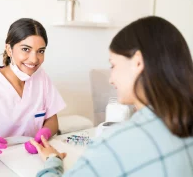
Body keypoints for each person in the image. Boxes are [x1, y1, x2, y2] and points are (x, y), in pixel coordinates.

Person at [31, 16, 193, 176]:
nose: (111, 79)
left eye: (113, 65)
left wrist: (53, 161)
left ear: (138, 62)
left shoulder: (117, 143)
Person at [0, 18, 66, 158]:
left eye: (40, 51)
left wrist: (44, 134)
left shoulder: (41, 78)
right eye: (26, 49)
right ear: (9, 49)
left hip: (35, 157)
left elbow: (52, 120)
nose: (34, 59)